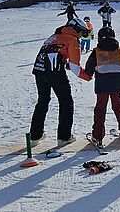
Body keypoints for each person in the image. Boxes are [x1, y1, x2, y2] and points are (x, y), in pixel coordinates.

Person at [30, 17, 89, 145]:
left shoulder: (53, 36)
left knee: (42, 102)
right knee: (66, 102)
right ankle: (64, 137)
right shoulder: (73, 40)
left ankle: (35, 136)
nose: (82, 36)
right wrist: (88, 76)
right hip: (55, 73)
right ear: (76, 29)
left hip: (39, 70)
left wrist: (64, 61)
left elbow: (53, 53)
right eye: (83, 32)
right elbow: (75, 67)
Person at [83, 27, 120, 150]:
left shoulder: (96, 51)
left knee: (100, 109)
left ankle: (97, 136)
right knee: (118, 108)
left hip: (102, 86)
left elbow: (89, 70)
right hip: (117, 86)